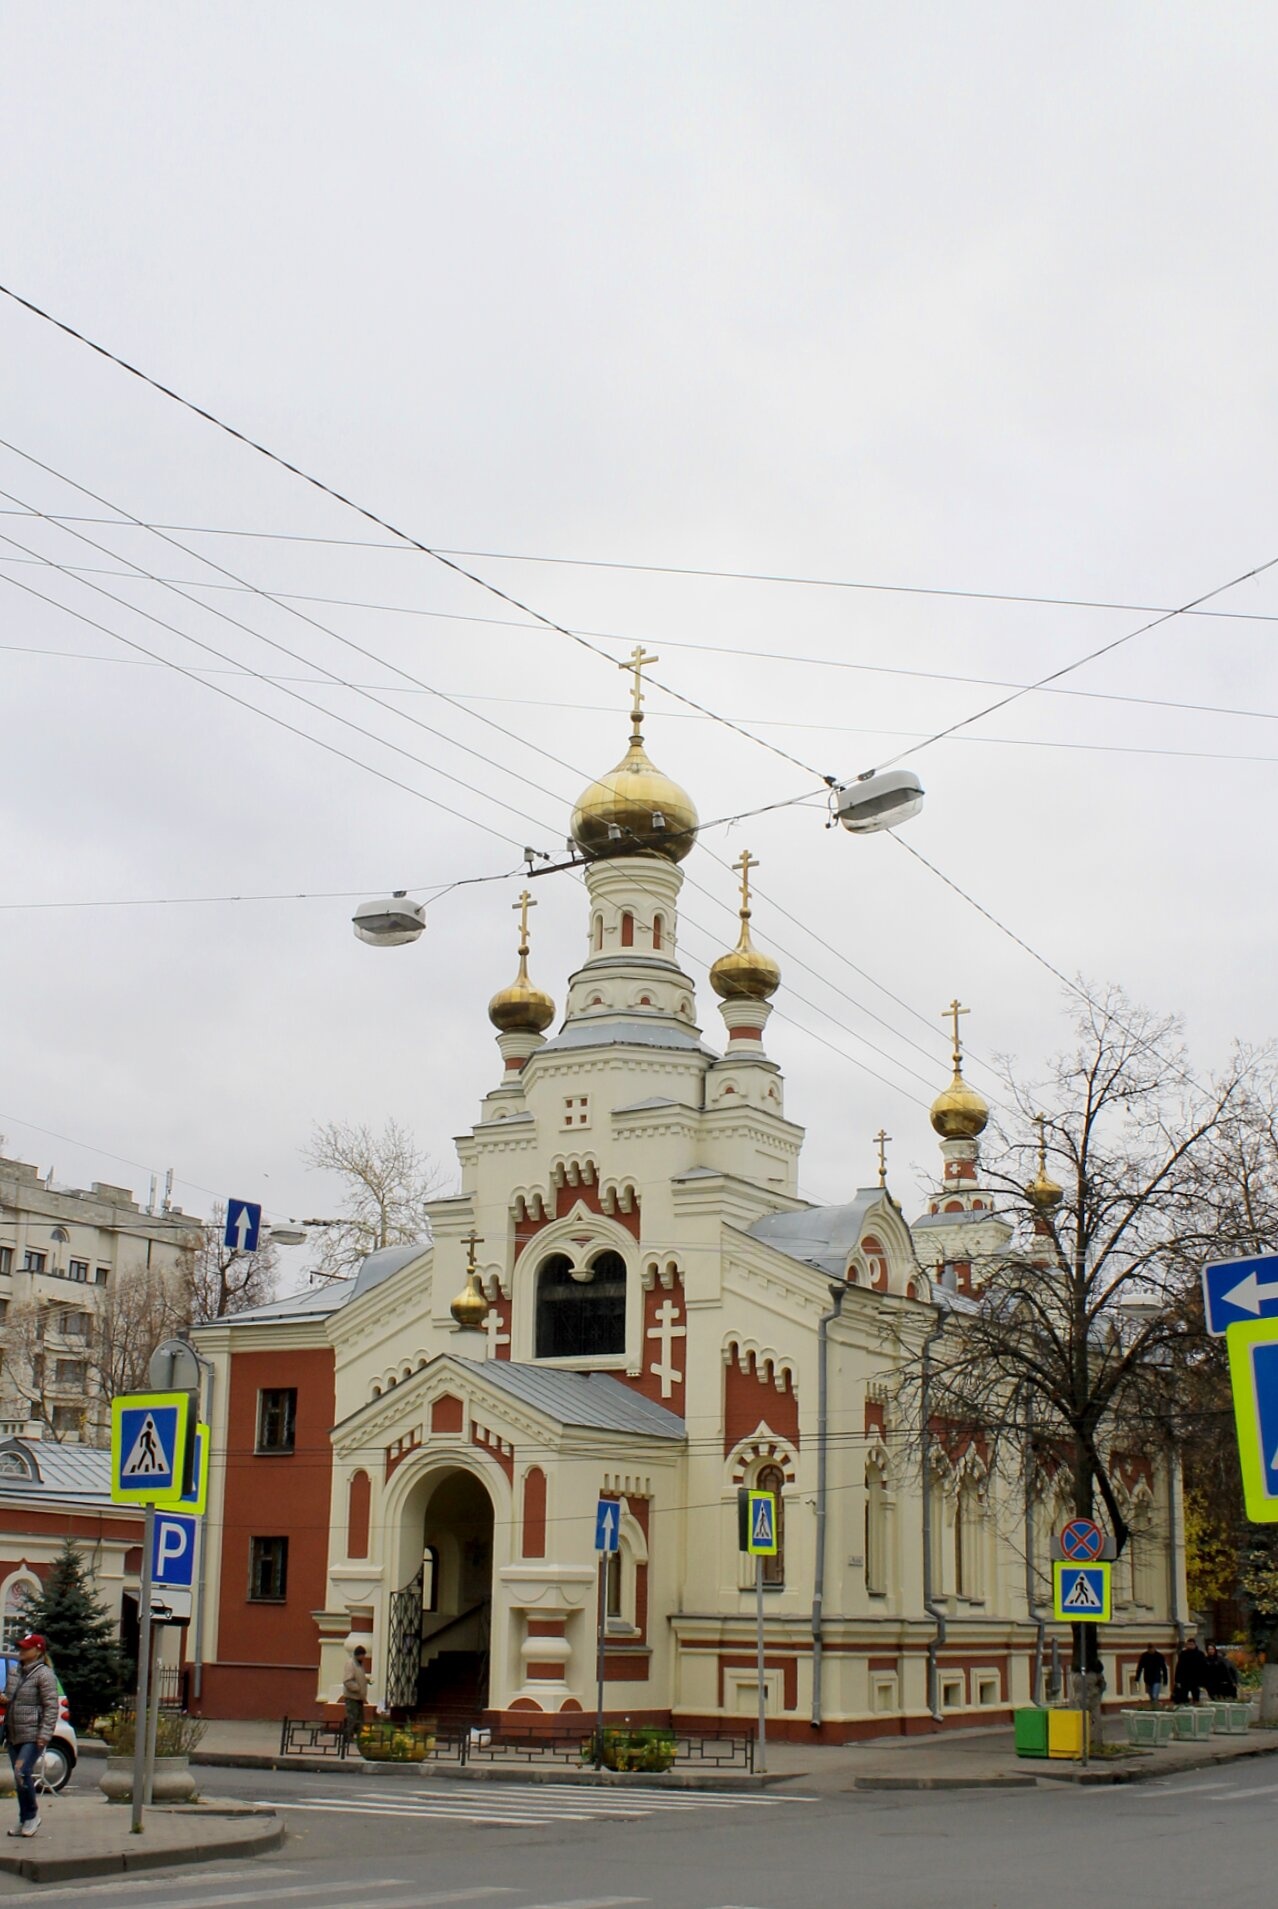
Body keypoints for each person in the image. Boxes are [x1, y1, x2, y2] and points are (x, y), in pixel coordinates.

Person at [3, 1634, 58, 1838]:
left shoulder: (44, 1674)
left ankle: (32, 1815)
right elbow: (10, 1699)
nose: (21, 1651)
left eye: (26, 1648)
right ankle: (24, 1817)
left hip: (33, 1735)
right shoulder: (15, 1672)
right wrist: (4, 1700)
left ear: (38, 1651)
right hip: (14, 1732)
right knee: (19, 1778)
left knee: (22, 1771)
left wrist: (44, 1734)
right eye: (20, 1647)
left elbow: (51, 1707)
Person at [341, 1645, 370, 1749]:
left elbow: (357, 1677)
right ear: (359, 1655)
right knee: (352, 1717)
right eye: (363, 1655)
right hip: (352, 1696)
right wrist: (357, 1688)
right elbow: (347, 1681)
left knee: (360, 1718)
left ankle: (359, 1737)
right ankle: (347, 1736)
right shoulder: (351, 1664)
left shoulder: (359, 1664)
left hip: (359, 1697)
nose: (364, 1657)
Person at [1173, 1635, 1211, 1704]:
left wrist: (1204, 1680)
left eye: (1191, 1644)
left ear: (1195, 1644)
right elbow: (1179, 1667)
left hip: (1196, 1679)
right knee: (1183, 1696)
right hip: (1185, 1679)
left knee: (1196, 1695)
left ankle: (1196, 1705)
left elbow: (1204, 1668)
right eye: (1188, 1644)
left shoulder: (1200, 1654)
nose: (1190, 1646)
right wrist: (1177, 1680)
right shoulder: (1183, 1654)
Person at [1134, 1642, 1168, 1707]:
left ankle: (1156, 1706)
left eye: (1153, 1648)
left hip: (1157, 1679)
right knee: (1151, 1696)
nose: (1151, 1650)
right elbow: (1140, 1667)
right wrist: (1137, 1678)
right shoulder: (1144, 1656)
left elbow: (1164, 1668)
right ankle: (1154, 1707)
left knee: (1155, 1695)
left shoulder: (1159, 1656)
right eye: (1150, 1649)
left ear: (1155, 1648)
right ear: (1148, 1649)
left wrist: (1165, 1679)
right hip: (1148, 1679)